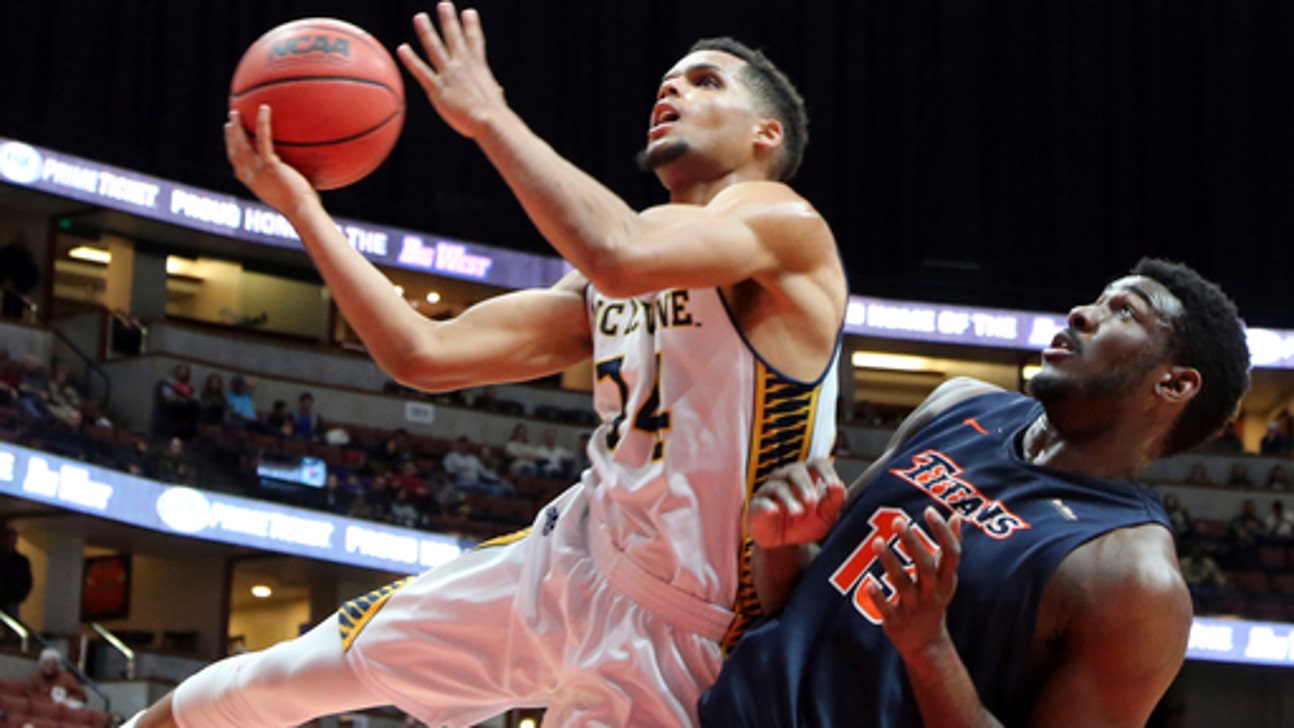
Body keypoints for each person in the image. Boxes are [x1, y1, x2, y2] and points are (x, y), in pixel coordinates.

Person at [127, 4, 844, 727]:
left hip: (691, 624)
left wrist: (489, 116)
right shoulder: (619, 264)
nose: (671, 92)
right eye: (666, 83)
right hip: (570, 558)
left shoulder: (784, 223)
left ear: (766, 134)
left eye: (704, 81)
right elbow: (422, 353)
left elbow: (621, 253)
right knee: (274, 678)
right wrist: (302, 207)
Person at [700, 258, 1251, 727]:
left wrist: (929, 648)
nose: (1082, 314)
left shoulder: (1136, 581)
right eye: (1098, 300)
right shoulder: (956, 404)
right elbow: (805, 601)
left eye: (1124, 311)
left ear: (1175, 384)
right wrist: (781, 543)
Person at [0, 526, 32, 620]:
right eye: (9, 540)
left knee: (12, 626)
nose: (11, 543)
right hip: (7, 597)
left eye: (13, 541)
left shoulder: (21, 561)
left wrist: (18, 596)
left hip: (11, 600)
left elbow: (27, 581)